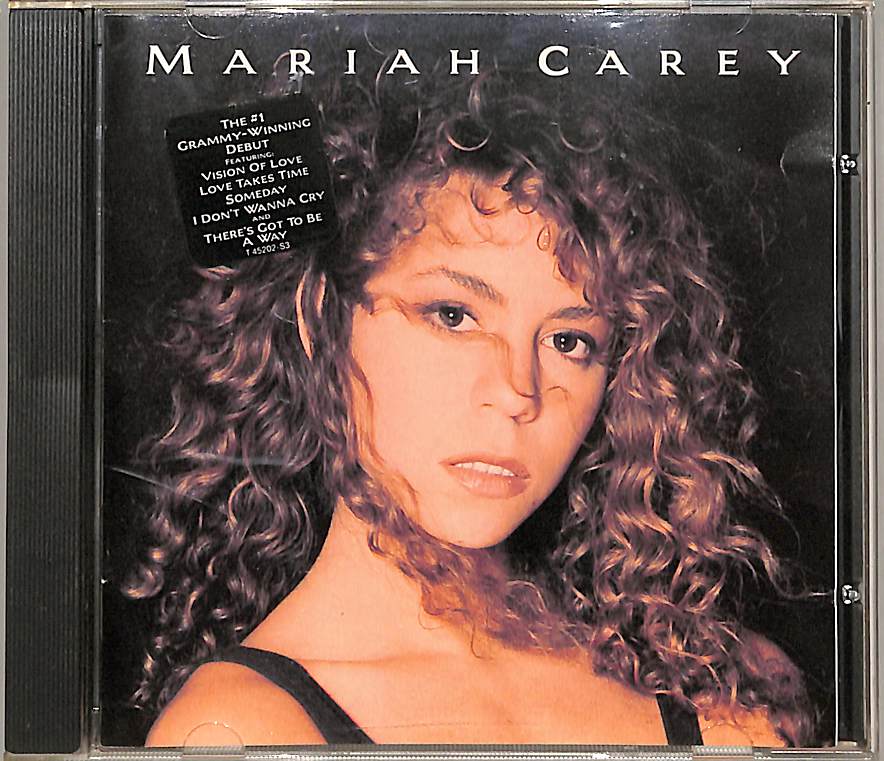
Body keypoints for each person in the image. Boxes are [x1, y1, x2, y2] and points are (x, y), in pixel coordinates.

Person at [125, 63, 812, 747]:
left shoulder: (728, 691)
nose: (517, 391)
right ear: (318, 322)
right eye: (453, 316)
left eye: (569, 340)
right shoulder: (237, 730)